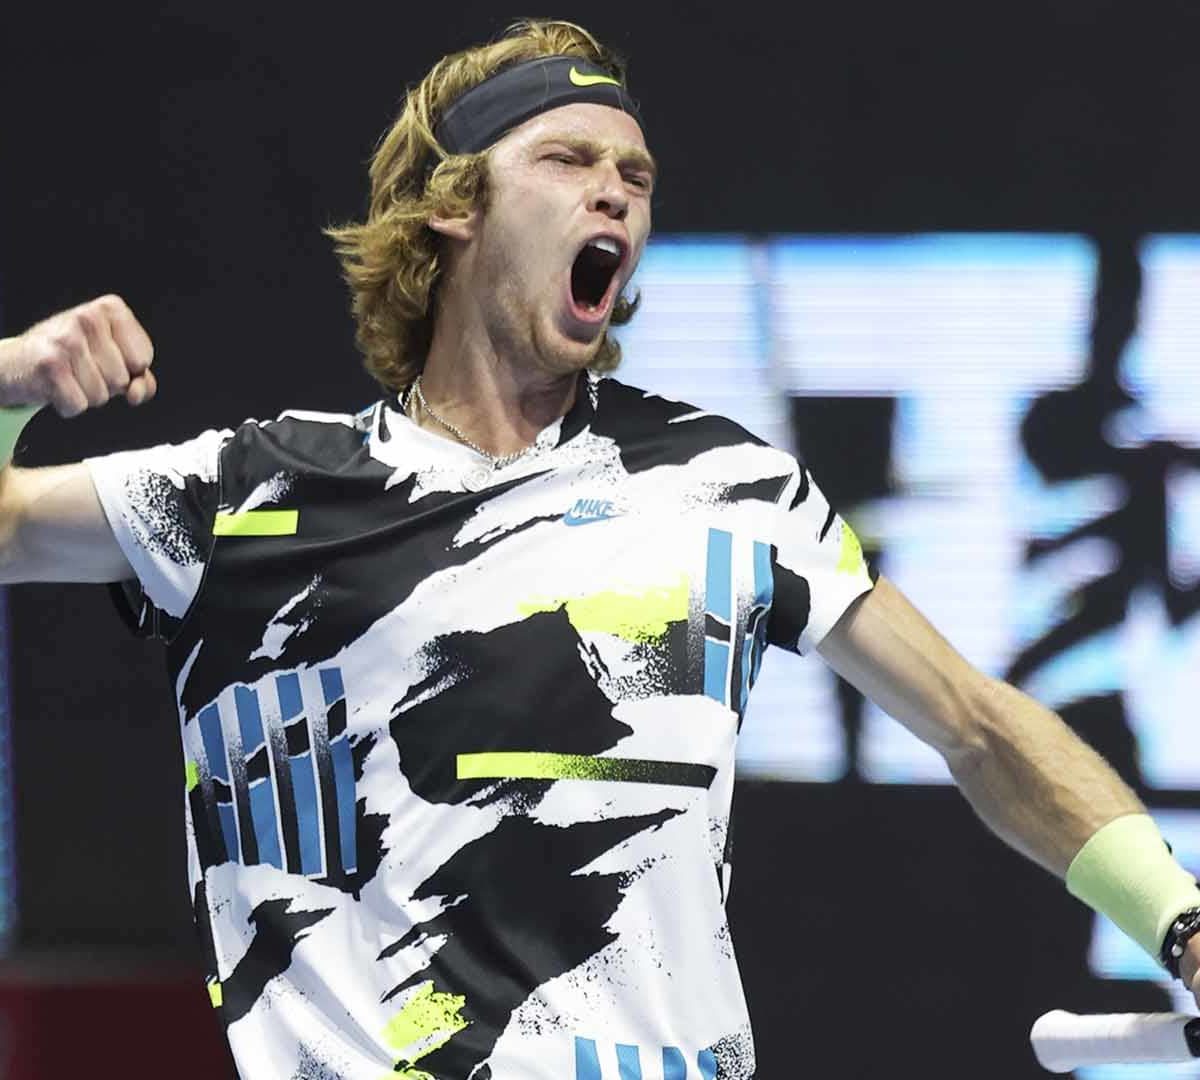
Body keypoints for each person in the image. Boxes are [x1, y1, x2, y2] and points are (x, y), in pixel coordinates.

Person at [0, 18, 1197, 1080]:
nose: (616, 194)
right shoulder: (256, 492)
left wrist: (1183, 928)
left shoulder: (729, 489)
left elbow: (977, 726)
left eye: (636, 175)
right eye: (567, 160)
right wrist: (9, 382)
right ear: (454, 206)